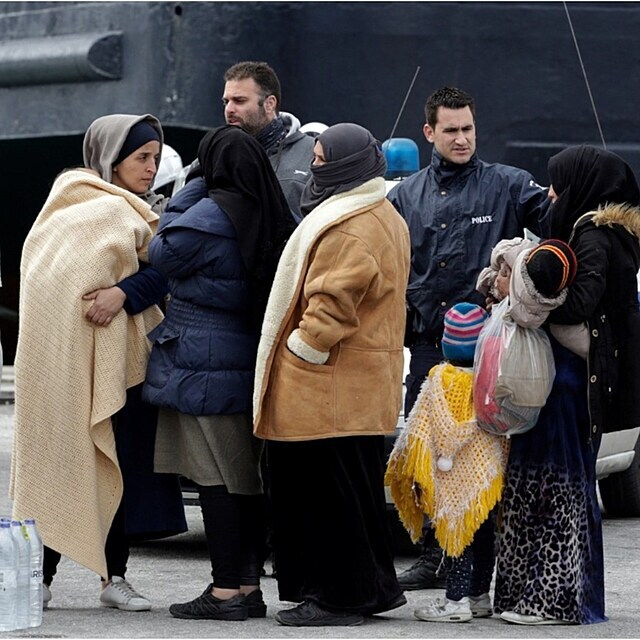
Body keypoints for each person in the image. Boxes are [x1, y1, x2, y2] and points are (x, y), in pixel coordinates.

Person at [9, 113, 187, 612]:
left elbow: (166, 274)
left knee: (118, 462)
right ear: (110, 158)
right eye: (141, 158)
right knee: (56, 461)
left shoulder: (144, 216)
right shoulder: (66, 208)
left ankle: (115, 577)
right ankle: (38, 577)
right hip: (57, 362)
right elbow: (45, 283)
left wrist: (121, 293)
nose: (151, 168)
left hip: (120, 359)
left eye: (155, 158)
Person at [386, 85, 551, 590]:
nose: (462, 139)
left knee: (490, 456)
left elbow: (555, 225)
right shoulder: (404, 195)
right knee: (435, 454)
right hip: (430, 347)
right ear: (429, 132)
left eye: (469, 129)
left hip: (492, 349)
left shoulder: (508, 185)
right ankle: (435, 554)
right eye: (451, 130)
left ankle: (484, 564)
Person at [253, 123, 410, 627]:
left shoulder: (349, 224)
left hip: (327, 387)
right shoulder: (381, 212)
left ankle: (339, 597)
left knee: (325, 499)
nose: (314, 166)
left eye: (321, 158)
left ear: (346, 165)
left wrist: (301, 351)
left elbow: (332, 305)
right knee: (356, 495)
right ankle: (372, 590)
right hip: (359, 383)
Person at [141, 125, 297, 621]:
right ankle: (248, 586)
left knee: (215, 478)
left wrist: (196, 181)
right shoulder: (273, 212)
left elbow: (159, 249)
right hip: (245, 354)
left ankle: (227, 588)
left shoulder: (207, 215)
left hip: (202, 359)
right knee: (242, 477)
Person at [494, 145, 640, 626]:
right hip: (567, 378)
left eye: (558, 183)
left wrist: (527, 277)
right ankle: (539, 598)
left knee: (558, 488)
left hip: (573, 382)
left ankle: (556, 601)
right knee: (547, 485)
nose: (551, 192)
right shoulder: (596, 232)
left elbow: (578, 305)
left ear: (582, 185)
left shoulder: (594, 236)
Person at [387, 303, 503, 623]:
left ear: (445, 344)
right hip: (486, 477)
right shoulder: (490, 378)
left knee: (455, 539)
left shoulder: (439, 380)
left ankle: (454, 602)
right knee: (483, 537)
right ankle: (479, 596)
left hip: (449, 477)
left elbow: (418, 428)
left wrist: (403, 463)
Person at [223, 60, 315, 218]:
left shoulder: (314, 156)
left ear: (269, 104)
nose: (229, 109)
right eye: (226, 101)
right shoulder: (211, 158)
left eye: (239, 101)